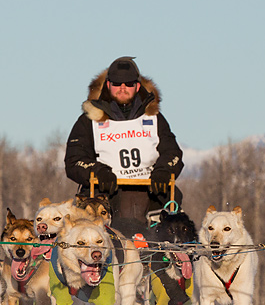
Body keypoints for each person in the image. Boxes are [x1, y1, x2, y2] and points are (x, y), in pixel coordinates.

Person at [64, 56, 184, 236]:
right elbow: (74, 160)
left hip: (151, 195)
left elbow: (172, 153)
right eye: (117, 84)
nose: (122, 88)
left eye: (128, 84)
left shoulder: (153, 118)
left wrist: (164, 171)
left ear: (137, 86)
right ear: (107, 85)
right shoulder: (90, 120)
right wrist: (97, 172)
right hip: (105, 194)